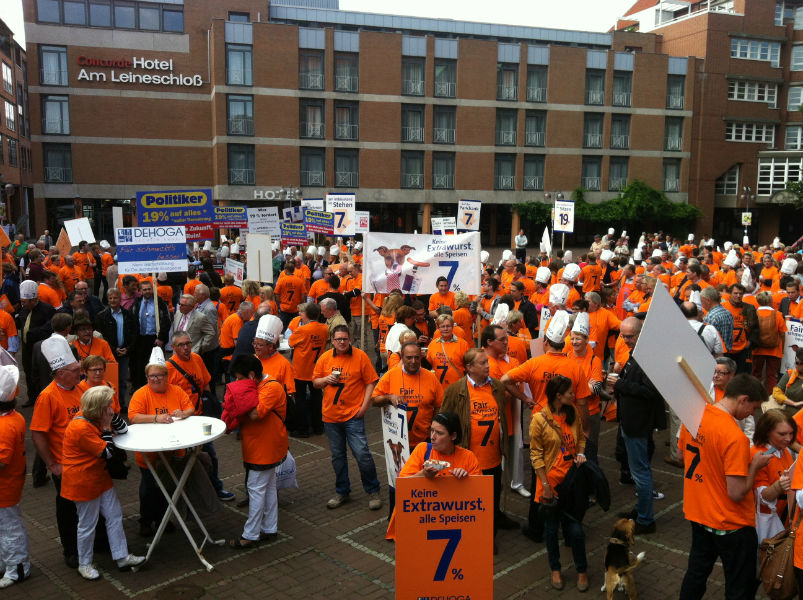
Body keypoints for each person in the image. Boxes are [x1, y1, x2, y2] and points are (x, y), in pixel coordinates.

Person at [678, 374, 772, 599]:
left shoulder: (694, 415)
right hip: (730, 524)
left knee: (696, 574)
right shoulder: (734, 436)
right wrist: (754, 467)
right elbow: (737, 492)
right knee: (740, 586)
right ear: (743, 399)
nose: (753, 413)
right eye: (754, 407)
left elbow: (682, 457)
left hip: (699, 514)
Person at [61, 386, 143, 580]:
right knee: (87, 524)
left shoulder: (97, 416)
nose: (111, 407)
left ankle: (122, 556)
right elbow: (107, 453)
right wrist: (107, 427)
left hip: (99, 477)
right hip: (82, 481)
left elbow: (123, 429)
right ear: (98, 408)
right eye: (108, 405)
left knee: (114, 515)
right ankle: (84, 564)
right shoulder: (80, 427)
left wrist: (112, 417)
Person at [30, 336, 90, 568]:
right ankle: (71, 550)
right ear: (61, 373)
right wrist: (52, 465)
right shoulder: (47, 397)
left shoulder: (79, 389)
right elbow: (38, 434)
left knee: (90, 504)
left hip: (87, 461)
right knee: (67, 509)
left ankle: (96, 542)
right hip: (65, 465)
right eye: (75, 370)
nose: (80, 373)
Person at [441, 347, 515, 538]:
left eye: (486, 362)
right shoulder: (455, 390)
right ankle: (470, 538)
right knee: (469, 504)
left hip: (493, 458)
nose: (487, 366)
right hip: (468, 461)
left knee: (492, 500)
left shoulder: (497, 387)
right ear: (469, 367)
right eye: (482, 363)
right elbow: (443, 421)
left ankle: (489, 538)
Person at [312, 325, 382, 511]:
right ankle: (342, 491)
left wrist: (364, 406)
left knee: (362, 454)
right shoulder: (325, 358)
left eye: (344, 338)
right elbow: (315, 382)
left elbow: (371, 382)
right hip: (331, 417)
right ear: (332, 341)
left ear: (350, 339)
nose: (342, 342)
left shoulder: (360, 356)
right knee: (338, 456)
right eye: (338, 339)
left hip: (353, 415)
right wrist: (326, 380)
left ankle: (373, 490)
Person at [127, 348, 195, 537]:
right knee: (149, 488)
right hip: (149, 453)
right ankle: (146, 521)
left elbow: (190, 408)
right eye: (151, 376)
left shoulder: (177, 390)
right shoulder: (141, 394)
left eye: (158, 375)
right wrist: (157, 418)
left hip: (173, 451)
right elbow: (133, 417)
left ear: (166, 376)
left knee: (168, 486)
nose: (155, 379)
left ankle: (163, 519)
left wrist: (184, 413)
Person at [531, 375, 589, 591]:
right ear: (558, 396)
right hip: (550, 486)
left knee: (576, 531)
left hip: (572, 485)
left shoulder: (572, 412)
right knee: (551, 530)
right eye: (569, 393)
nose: (574, 395)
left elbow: (581, 439)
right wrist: (545, 485)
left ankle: (581, 570)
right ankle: (555, 569)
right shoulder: (539, 420)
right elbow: (536, 455)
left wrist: (581, 454)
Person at [385, 411, 481, 539]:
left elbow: (481, 496)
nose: (433, 437)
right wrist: (423, 474)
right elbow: (402, 486)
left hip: (451, 524)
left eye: (439, 433)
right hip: (419, 525)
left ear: (453, 436)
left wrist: (466, 479)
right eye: (432, 431)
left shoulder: (468, 457)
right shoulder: (423, 449)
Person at [610, 317, 663, 535]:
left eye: (629, 336)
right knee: (638, 469)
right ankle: (641, 510)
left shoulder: (647, 358)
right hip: (632, 420)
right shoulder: (637, 353)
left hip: (638, 423)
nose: (625, 340)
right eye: (623, 335)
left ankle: (645, 519)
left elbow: (650, 392)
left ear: (640, 334)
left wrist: (620, 384)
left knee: (641, 473)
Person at [228, 355, 288, 549]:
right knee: (268, 487)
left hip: (265, 449)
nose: (237, 383)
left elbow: (255, 414)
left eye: (239, 378)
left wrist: (236, 404)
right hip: (261, 447)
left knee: (255, 489)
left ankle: (251, 534)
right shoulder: (260, 385)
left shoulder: (271, 387)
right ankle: (270, 528)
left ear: (252, 375)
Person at [0, 364, 30, 588]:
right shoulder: (15, 417)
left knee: (10, 530)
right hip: (11, 485)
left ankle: (17, 569)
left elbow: (2, 461)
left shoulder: (5, 425)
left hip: (5, 488)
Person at [750, 409, 795, 543]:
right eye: (782, 434)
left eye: (791, 433)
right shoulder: (758, 455)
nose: (789, 438)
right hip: (769, 526)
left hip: (784, 522)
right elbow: (762, 498)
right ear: (767, 431)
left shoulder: (783, 451)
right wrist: (778, 487)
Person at [288, 303, 329, 437]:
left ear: (306, 314)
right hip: (316, 369)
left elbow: (290, 342)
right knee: (317, 398)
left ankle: (303, 429)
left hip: (301, 370)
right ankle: (318, 426)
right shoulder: (324, 328)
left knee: (300, 400)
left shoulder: (302, 330)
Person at [94, 288, 137, 407]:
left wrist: (128, 348)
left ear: (120, 299)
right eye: (110, 298)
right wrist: (113, 349)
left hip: (124, 353)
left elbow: (134, 333)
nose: (113, 300)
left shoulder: (128, 314)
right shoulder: (101, 316)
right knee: (108, 381)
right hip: (109, 354)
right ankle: (109, 405)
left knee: (122, 381)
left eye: (115, 298)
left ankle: (121, 404)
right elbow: (100, 337)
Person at [16, 279, 55, 406]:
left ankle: (44, 399)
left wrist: (34, 333)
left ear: (33, 300)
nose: (23, 304)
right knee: (28, 373)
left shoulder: (47, 309)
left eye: (24, 302)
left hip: (42, 350)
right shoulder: (23, 309)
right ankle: (32, 397)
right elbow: (20, 323)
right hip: (27, 349)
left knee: (42, 375)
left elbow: (50, 327)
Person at [131, 281, 171, 390]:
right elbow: (133, 321)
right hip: (140, 339)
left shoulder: (159, 303)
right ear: (140, 291)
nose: (147, 291)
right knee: (140, 366)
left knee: (156, 365)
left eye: (149, 289)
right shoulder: (137, 303)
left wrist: (161, 338)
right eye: (144, 289)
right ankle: (141, 388)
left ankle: (158, 387)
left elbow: (166, 321)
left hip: (155, 340)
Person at [752, 290, 786, 395]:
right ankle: (771, 399)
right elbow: (783, 333)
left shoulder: (754, 314)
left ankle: (755, 396)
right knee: (771, 376)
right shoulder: (778, 314)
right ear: (770, 301)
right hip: (775, 350)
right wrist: (783, 348)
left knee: (756, 374)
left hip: (757, 350)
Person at [427, 314, 471, 391]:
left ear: (452, 327)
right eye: (442, 326)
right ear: (438, 328)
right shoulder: (432, 344)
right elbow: (429, 364)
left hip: (457, 387)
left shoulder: (463, 344)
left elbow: (469, 366)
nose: (445, 329)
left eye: (448, 326)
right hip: (438, 388)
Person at [772, 347, 803, 417]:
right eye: (795, 361)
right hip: (785, 416)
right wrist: (793, 403)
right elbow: (776, 393)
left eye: (798, 363)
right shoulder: (790, 374)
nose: (796, 365)